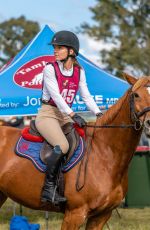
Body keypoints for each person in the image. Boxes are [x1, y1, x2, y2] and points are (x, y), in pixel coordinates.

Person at [35, 30, 103, 204]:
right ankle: (48, 190)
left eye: (59, 48)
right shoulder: (49, 69)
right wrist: (73, 114)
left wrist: (99, 114)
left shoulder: (79, 72)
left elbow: (86, 96)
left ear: (71, 52)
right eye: (55, 48)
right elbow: (56, 97)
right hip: (48, 114)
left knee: (85, 141)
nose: (55, 51)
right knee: (62, 145)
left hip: (64, 116)